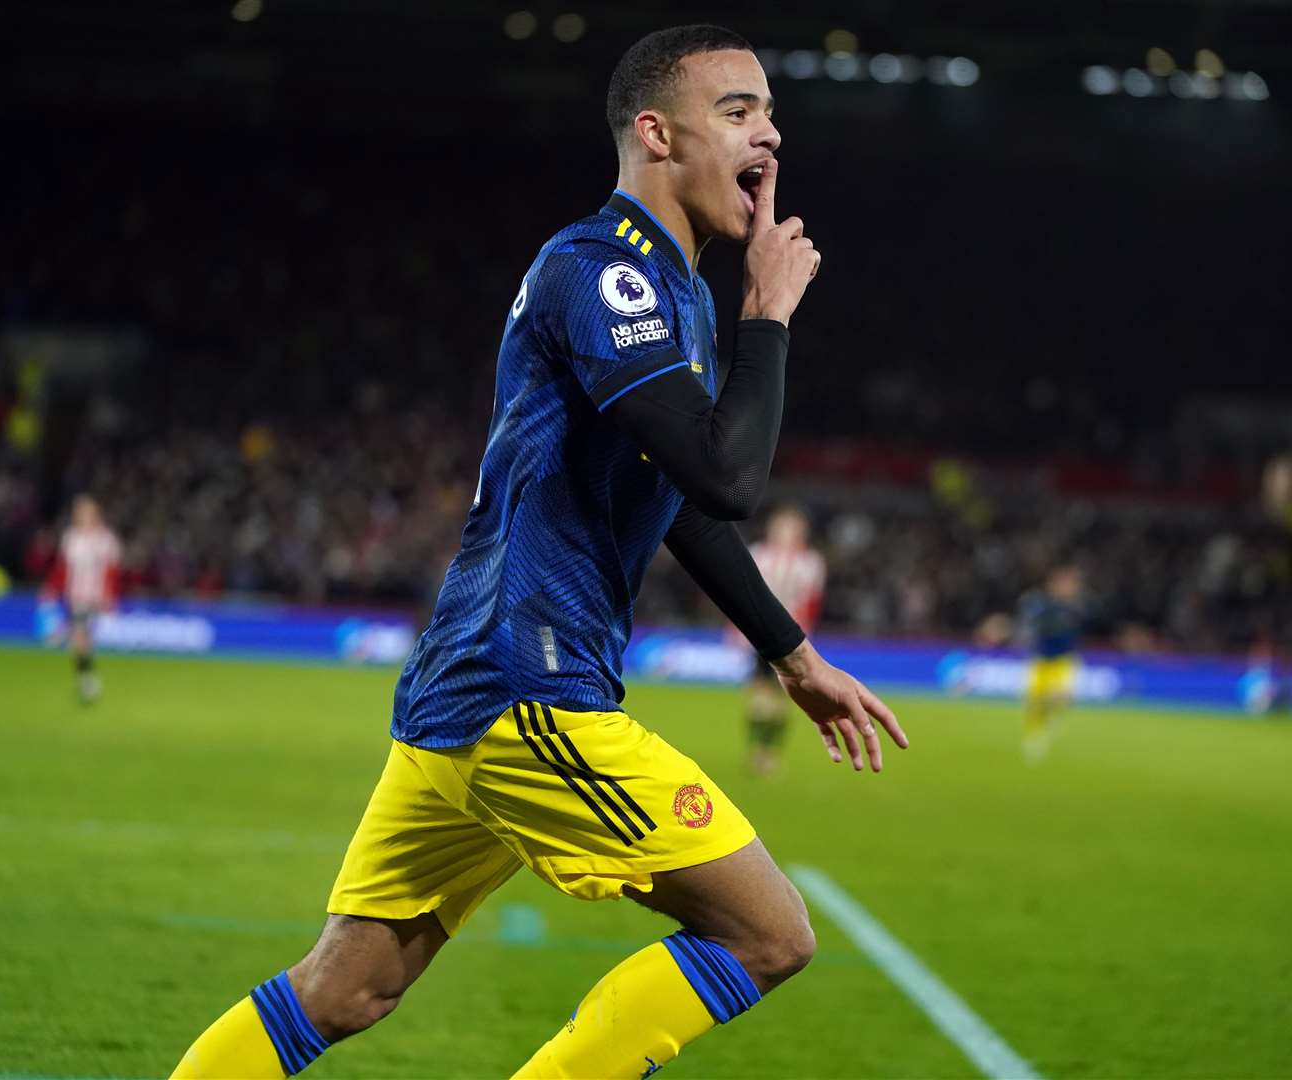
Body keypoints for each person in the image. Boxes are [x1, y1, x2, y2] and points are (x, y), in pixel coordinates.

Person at [171, 25, 907, 1080]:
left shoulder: (672, 294)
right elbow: (728, 478)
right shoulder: (602, 273)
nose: (771, 133)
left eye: (770, 112)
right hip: (534, 690)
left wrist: (792, 654)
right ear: (656, 133)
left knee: (346, 986)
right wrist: (770, 316)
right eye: (739, 111)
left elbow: (686, 504)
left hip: (464, 691)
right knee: (767, 933)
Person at [738, 505, 826, 775]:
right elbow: (741, 596)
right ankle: (758, 752)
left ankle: (769, 752)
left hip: (791, 638)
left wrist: (801, 634)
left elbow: (811, 604)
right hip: (758, 636)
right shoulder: (759, 555)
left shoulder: (810, 563)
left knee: (781, 699)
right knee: (759, 698)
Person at [41, 494, 121, 704]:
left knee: (79, 638)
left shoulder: (105, 540)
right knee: (81, 643)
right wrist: (52, 588)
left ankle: (87, 682)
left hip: (93, 597)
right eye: (79, 512)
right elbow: (62, 568)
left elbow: (111, 571)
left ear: (95, 514)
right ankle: (87, 680)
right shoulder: (71, 538)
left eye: (87, 512)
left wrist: (109, 596)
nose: (83, 515)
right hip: (74, 595)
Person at [1018, 564, 1086, 762]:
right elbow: (1033, 624)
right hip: (1042, 659)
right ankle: (1033, 737)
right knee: (1034, 702)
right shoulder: (1042, 605)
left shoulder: (1076, 609)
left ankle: (1052, 718)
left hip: (1063, 661)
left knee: (1061, 697)